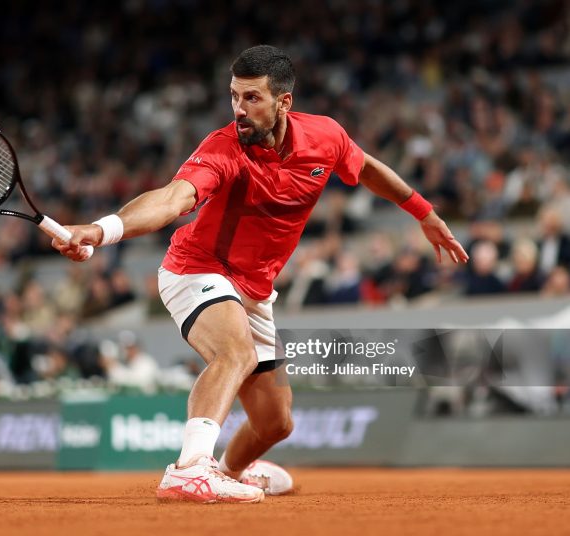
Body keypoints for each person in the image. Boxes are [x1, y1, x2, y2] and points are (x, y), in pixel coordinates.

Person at [53, 45, 469, 503]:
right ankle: (189, 469)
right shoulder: (223, 147)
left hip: (255, 289)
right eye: (234, 96)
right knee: (235, 354)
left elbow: (366, 169)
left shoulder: (324, 136)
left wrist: (423, 212)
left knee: (276, 422)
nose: (239, 109)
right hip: (197, 268)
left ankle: (231, 470)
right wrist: (100, 230)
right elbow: (174, 199)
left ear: (284, 102)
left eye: (252, 98)